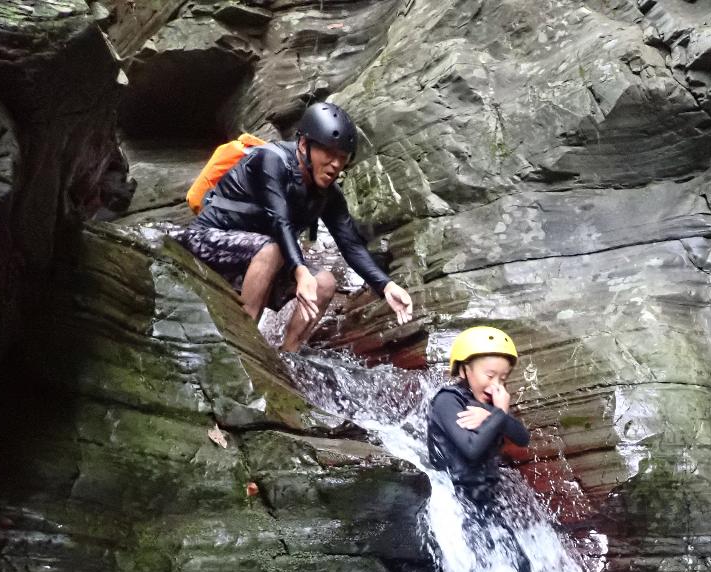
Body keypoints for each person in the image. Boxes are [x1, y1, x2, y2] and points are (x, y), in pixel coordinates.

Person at [173, 102, 413, 352]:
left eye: (342, 157)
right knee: (273, 250)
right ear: (303, 145)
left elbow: (351, 246)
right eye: (329, 154)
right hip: (206, 240)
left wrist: (386, 285)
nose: (335, 164)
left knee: (325, 282)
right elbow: (279, 220)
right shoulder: (270, 160)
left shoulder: (329, 195)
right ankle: (243, 344)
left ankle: (287, 356)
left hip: (258, 259)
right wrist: (299, 271)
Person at [427, 326, 531, 505]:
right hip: (453, 498)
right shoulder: (447, 401)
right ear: (463, 371)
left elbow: (523, 438)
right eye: (490, 376)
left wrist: (492, 414)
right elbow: (471, 449)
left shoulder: (490, 407)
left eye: (503, 379)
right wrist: (497, 414)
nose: (495, 385)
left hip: (484, 498)